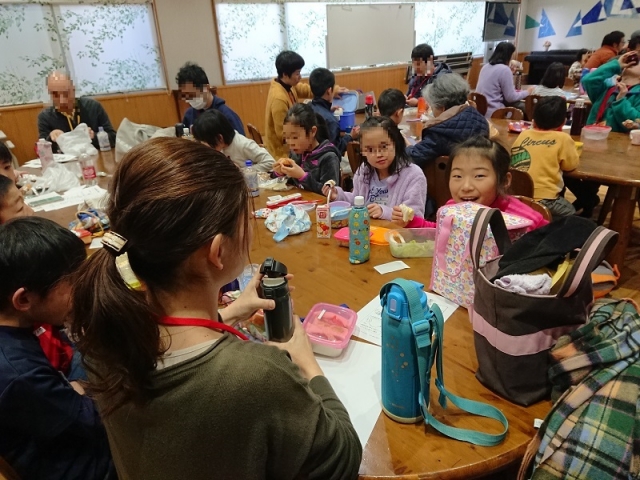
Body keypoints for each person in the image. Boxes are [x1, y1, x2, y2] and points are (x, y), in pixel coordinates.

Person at [69, 137, 362, 478]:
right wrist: (306, 362)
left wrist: (231, 311)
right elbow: (344, 457)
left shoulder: (104, 334)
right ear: (217, 252)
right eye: (245, 221)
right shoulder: (257, 376)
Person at [0, 217, 114, 480]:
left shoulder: (16, 331)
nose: (82, 289)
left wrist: (74, 387)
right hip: (82, 466)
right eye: (74, 283)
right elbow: (95, 420)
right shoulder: (19, 374)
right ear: (24, 299)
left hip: (56, 421)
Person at [392, 136, 548, 231]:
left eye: (479, 176)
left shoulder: (524, 219)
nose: (466, 187)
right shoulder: (452, 209)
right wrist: (412, 222)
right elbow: (440, 233)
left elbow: (549, 243)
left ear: (504, 180)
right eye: (458, 176)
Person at [323, 116, 427, 221]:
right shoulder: (364, 170)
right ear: (363, 151)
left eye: (384, 146)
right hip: (365, 228)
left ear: (395, 144)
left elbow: (415, 218)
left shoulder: (413, 175)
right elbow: (357, 201)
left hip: (394, 231)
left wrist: (384, 212)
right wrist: (338, 195)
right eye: (370, 149)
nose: (378, 154)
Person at [510, 96, 579, 220]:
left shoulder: (524, 134)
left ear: (533, 120)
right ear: (563, 122)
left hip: (516, 194)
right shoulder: (563, 138)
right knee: (571, 214)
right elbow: (570, 166)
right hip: (545, 199)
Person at [406, 73, 489, 168]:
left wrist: (405, 144)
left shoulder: (438, 132)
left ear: (442, 108)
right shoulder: (480, 119)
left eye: (432, 106)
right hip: (478, 171)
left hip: (449, 175)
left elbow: (412, 158)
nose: (432, 110)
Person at [37, 71, 116, 153]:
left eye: (66, 93)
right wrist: (51, 138)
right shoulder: (45, 117)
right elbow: (43, 152)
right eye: (55, 95)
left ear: (73, 90)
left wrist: (94, 136)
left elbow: (113, 138)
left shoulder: (93, 107)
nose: (62, 101)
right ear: (49, 94)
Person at [273, 103, 341, 194]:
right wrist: (280, 172)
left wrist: (302, 177)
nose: (290, 143)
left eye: (295, 137)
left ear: (312, 131)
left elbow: (330, 194)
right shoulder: (296, 153)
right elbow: (291, 184)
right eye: (287, 137)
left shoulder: (328, 157)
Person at [192, 109, 274, 172]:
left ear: (220, 138)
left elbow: (270, 162)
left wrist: (243, 171)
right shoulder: (221, 146)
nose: (205, 145)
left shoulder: (243, 145)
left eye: (207, 141)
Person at [176, 62, 245, 134]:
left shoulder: (226, 115)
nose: (188, 100)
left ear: (206, 88)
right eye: (186, 95)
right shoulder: (189, 115)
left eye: (192, 94)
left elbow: (240, 140)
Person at [583, 50, 640, 132]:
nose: (632, 62)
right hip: (593, 135)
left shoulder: (638, 94)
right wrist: (617, 64)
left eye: (637, 61)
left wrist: (621, 100)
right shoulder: (606, 89)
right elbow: (589, 80)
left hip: (620, 139)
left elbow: (637, 121)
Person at [309, 68, 359, 156]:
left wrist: (327, 110)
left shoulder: (308, 107)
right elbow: (336, 149)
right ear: (329, 91)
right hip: (325, 160)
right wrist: (350, 136)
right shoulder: (331, 121)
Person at [476, 42, 534, 117]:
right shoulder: (504, 69)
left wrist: (510, 73)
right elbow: (511, 97)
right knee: (522, 110)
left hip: (480, 111)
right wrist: (527, 92)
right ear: (508, 56)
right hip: (495, 112)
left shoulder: (485, 67)